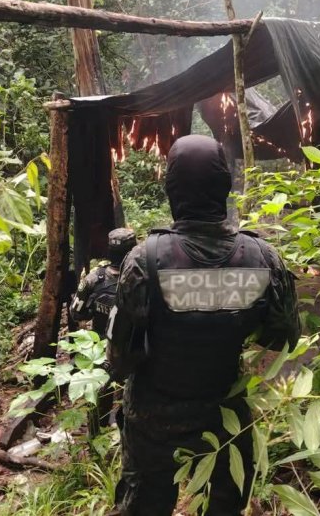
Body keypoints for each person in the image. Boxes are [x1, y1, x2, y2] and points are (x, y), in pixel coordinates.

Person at [106, 134, 300, 516]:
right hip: (224, 414)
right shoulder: (263, 257)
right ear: (223, 187)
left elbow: (120, 360)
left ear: (172, 190)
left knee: (144, 506)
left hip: (153, 419)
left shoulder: (144, 260)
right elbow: (283, 338)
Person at [69, 227, 137, 432]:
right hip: (133, 348)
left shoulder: (93, 278)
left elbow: (77, 313)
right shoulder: (143, 278)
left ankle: (96, 435)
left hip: (99, 349)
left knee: (99, 395)